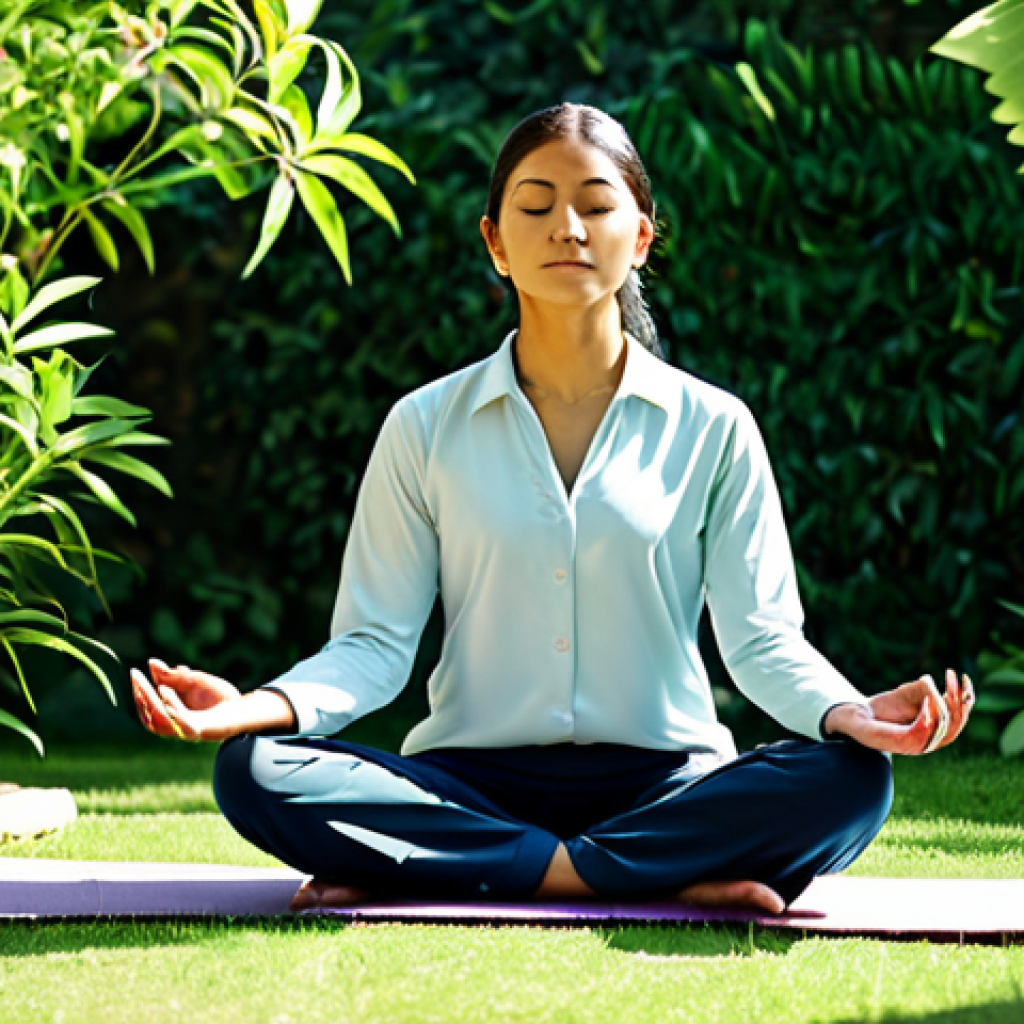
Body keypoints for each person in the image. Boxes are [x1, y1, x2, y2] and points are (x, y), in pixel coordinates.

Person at [131, 103, 973, 915]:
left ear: (640, 238)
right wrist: (258, 707)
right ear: (496, 244)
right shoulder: (423, 426)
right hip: (469, 781)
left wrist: (850, 714)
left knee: (856, 778)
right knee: (254, 770)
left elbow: (761, 641)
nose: (567, 229)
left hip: (665, 780)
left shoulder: (715, 426)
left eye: (596, 207)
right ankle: (648, 872)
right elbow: (373, 646)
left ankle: (482, 870)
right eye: (535, 207)